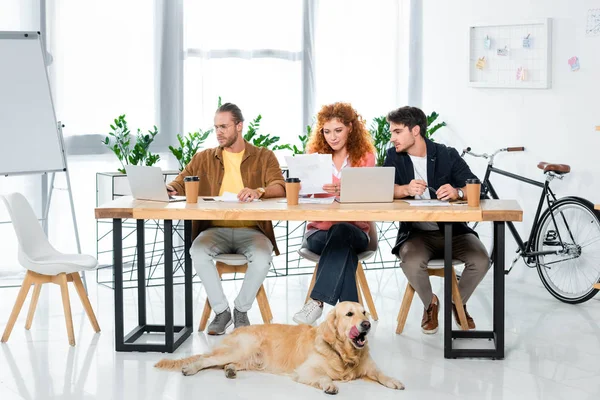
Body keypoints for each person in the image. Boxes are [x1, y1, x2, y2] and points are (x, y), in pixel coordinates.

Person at [167, 103, 285, 335]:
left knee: (262, 257)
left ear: (239, 126)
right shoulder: (204, 158)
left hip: (252, 231)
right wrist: (170, 188)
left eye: (224, 126)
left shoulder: (263, 156)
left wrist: (258, 191)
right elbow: (180, 182)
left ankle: (241, 310)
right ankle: (222, 312)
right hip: (215, 230)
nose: (219, 132)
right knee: (197, 252)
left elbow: (279, 186)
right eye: (216, 127)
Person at [383, 106, 489, 334]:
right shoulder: (393, 156)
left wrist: (458, 192)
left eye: (397, 132)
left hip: (455, 232)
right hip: (417, 235)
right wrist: (404, 189)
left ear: (415, 131)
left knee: (481, 260)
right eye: (391, 132)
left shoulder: (446, 154)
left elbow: (478, 188)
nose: (392, 138)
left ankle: (456, 302)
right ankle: (430, 303)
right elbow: (381, 189)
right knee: (411, 261)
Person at [293, 102, 376, 325]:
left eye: (338, 130)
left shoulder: (365, 157)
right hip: (318, 233)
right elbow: (301, 195)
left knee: (341, 231)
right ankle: (355, 322)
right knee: (343, 252)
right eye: (327, 131)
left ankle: (317, 301)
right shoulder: (313, 156)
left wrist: (348, 190)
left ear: (350, 127)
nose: (333, 137)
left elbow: (372, 195)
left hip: (356, 232)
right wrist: (305, 188)